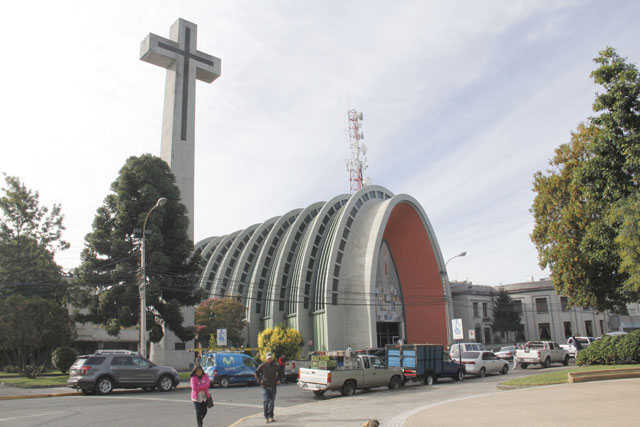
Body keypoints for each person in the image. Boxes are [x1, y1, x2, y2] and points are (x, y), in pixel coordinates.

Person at [255, 352, 282, 423]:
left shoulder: (275, 366)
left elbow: (280, 373)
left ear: (272, 358)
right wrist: (259, 380)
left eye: (270, 358)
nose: (269, 360)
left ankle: (271, 416)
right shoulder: (262, 366)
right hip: (265, 386)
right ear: (266, 359)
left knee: (271, 402)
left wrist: (279, 380)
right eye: (268, 358)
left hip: (273, 386)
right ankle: (266, 416)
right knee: (266, 401)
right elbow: (256, 373)